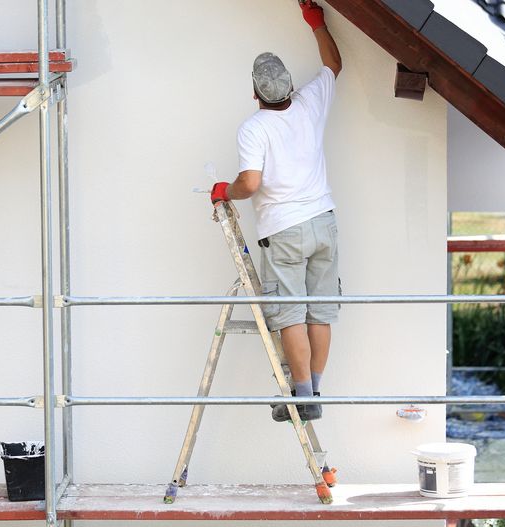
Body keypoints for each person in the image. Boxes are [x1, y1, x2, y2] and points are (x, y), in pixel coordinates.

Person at [211, 0, 342, 422]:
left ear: (255, 93)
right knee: (320, 312)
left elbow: (250, 184)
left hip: (285, 231)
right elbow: (333, 64)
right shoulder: (310, 101)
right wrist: (316, 23)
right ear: (289, 86)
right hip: (324, 222)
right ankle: (314, 391)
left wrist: (224, 191)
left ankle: (302, 398)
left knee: (290, 315)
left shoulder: (254, 128)